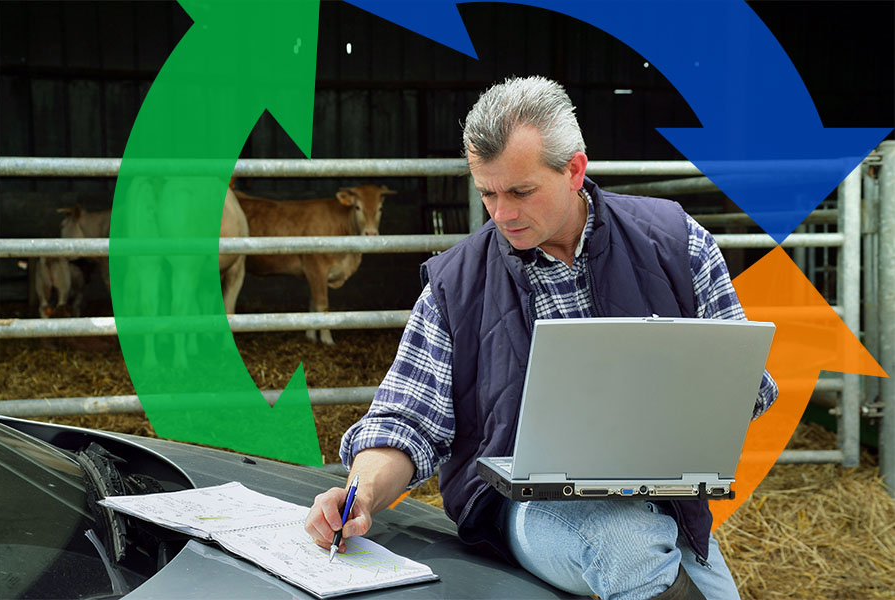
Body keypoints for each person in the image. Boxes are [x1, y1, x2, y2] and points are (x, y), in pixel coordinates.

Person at [306, 76, 778, 600]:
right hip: (521, 507)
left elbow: (744, 384)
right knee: (626, 542)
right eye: (487, 192)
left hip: (663, 497)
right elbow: (407, 420)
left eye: (520, 192)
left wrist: (699, 404)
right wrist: (361, 494)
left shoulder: (675, 240)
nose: (502, 213)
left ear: (574, 169)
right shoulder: (455, 284)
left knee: (672, 559)